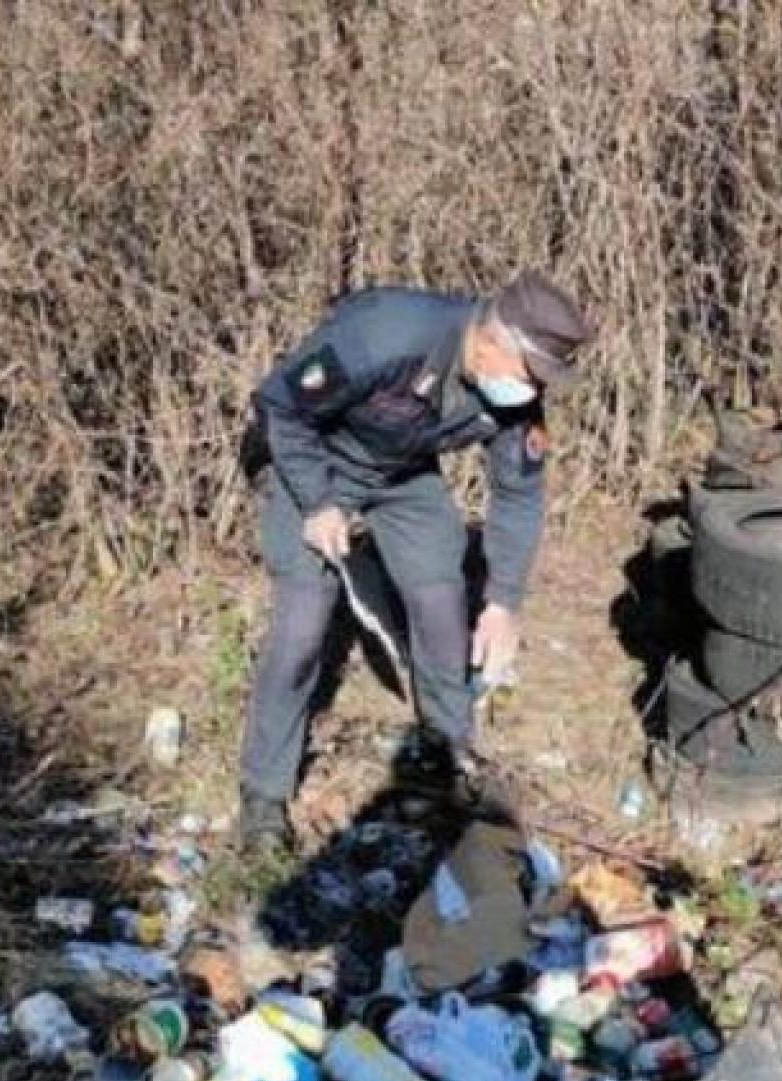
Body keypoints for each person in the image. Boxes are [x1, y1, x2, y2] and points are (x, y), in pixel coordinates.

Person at [238, 271, 593, 852]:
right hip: (311, 461)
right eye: (529, 374)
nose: (531, 393)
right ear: (490, 341)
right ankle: (263, 796)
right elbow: (282, 405)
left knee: (439, 601)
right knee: (304, 628)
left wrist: (503, 603)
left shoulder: (513, 395)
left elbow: (519, 493)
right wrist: (319, 501)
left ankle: (446, 761)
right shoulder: (390, 333)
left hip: (401, 475)